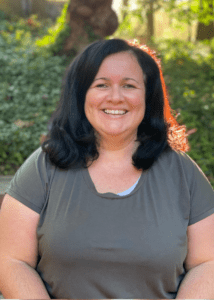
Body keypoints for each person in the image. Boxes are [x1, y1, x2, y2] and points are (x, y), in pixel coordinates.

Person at [0, 38, 214, 299]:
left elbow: (208, 263)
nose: (115, 97)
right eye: (101, 85)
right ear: (81, 95)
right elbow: (10, 260)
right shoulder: (43, 168)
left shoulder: (183, 173)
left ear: (148, 95)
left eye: (129, 85)